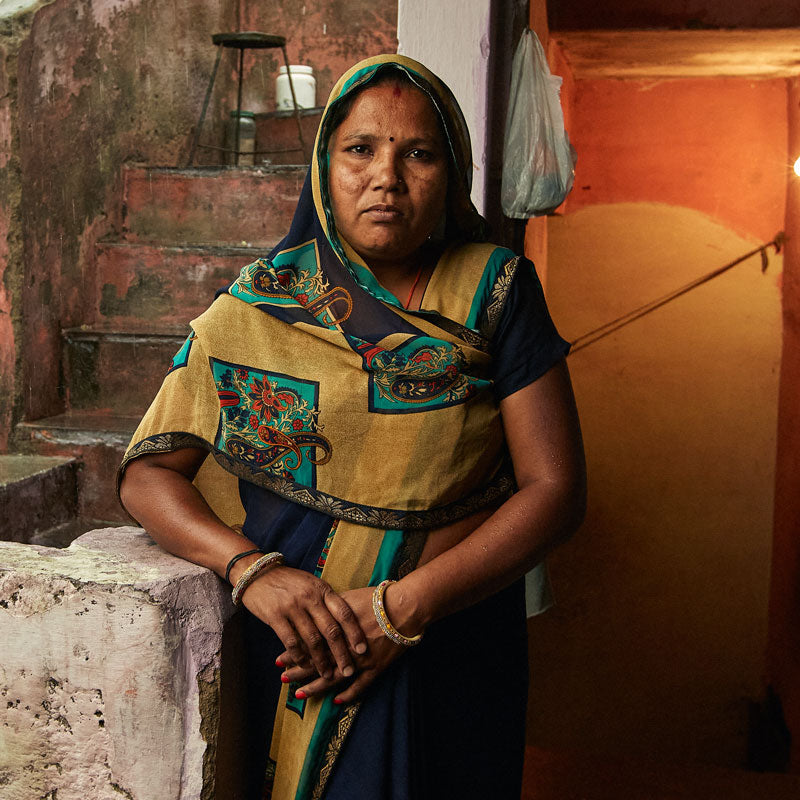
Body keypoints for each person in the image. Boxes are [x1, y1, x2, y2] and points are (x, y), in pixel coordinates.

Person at [118, 54, 585, 800]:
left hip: (448, 650)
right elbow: (147, 474)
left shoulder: (495, 292)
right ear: (323, 165)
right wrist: (252, 572)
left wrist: (399, 610)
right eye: (360, 149)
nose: (386, 178)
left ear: (451, 170)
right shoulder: (259, 307)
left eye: (419, 153)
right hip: (295, 655)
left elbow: (555, 489)